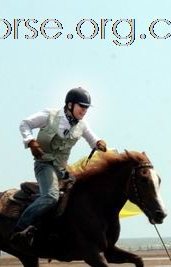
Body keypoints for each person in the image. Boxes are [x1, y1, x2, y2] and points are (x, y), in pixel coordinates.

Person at [11, 87, 107, 246]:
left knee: (83, 194)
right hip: (44, 165)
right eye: (81, 106)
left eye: (86, 108)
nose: (84, 110)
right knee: (51, 196)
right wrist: (30, 142)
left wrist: (98, 143)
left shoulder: (82, 125)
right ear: (70, 105)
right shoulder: (50, 115)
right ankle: (20, 230)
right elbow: (25, 124)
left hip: (62, 170)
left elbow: (92, 139)